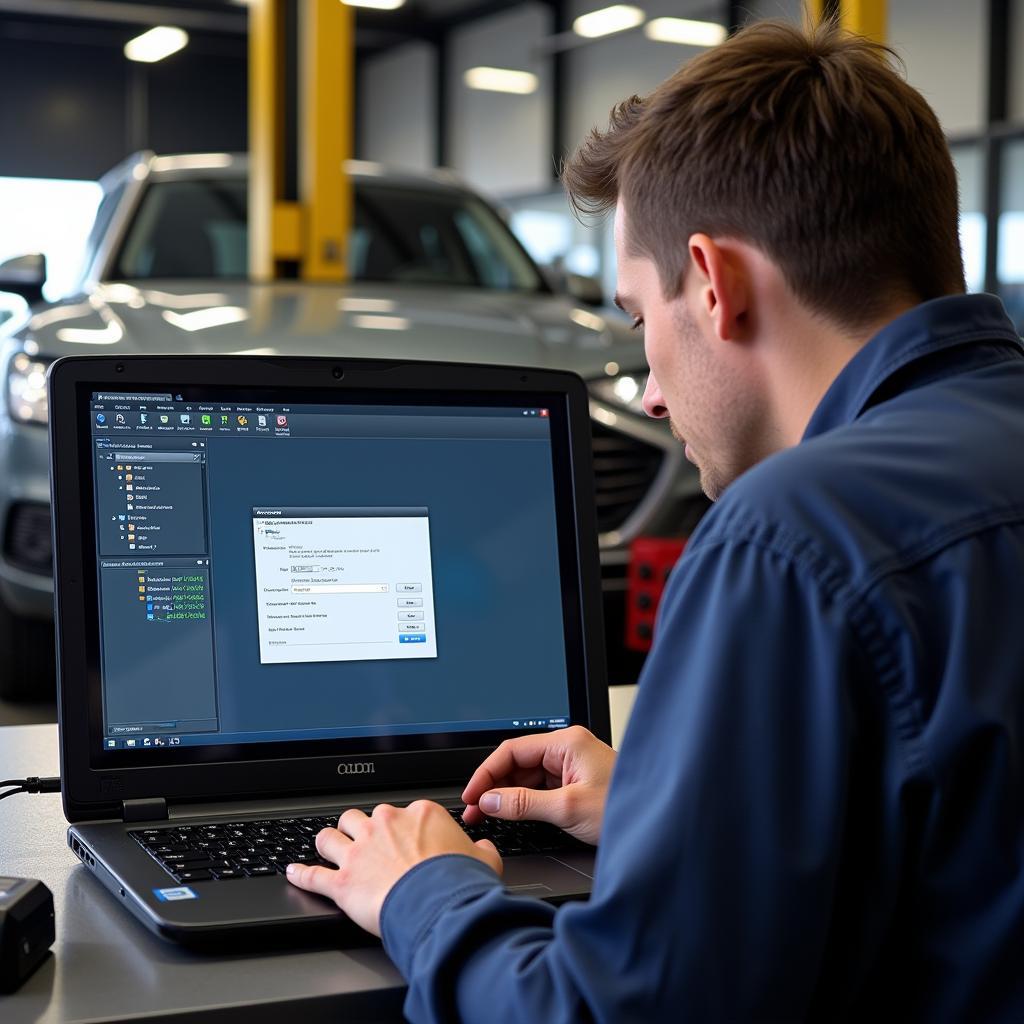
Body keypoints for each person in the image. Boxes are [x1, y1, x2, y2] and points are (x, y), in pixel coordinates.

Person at [287, 19, 1024, 1021]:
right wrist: (672, 809)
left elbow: (612, 1011)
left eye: (640, 321)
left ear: (712, 284)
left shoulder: (793, 536)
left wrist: (423, 891)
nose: (647, 396)